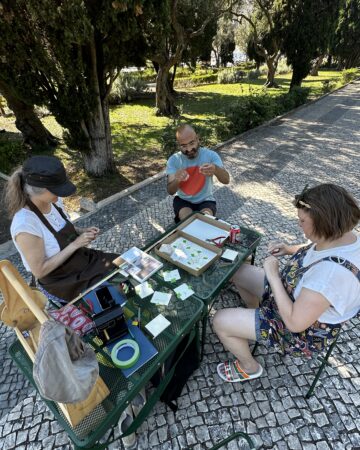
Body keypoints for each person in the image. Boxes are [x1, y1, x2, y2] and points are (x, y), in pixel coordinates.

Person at [213, 184, 360, 383]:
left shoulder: (330, 276)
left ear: (324, 224)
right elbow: (317, 248)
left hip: (300, 331)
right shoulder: (344, 236)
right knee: (238, 271)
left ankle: (250, 367)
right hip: (288, 296)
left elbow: (294, 323)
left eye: (302, 221)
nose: (299, 224)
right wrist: (289, 249)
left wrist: (273, 275)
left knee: (219, 320)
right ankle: (251, 316)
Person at [5, 155, 118, 303]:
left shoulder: (54, 201)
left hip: (82, 261)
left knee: (124, 265)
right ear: (40, 190)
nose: (60, 195)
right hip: (62, 280)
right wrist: (76, 244)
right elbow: (39, 271)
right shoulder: (25, 225)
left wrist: (81, 231)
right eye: (56, 190)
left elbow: (59, 227)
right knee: (110, 298)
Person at [166, 124, 230, 222]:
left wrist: (216, 169)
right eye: (184, 146)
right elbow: (170, 191)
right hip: (183, 201)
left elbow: (226, 180)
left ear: (197, 139)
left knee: (205, 220)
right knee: (188, 221)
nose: (189, 149)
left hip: (206, 200)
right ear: (178, 144)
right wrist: (177, 179)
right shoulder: (173, 160)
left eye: (192, 143)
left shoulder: (211, 156)